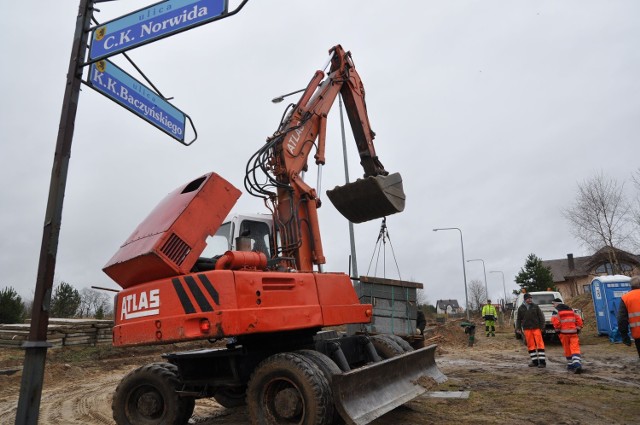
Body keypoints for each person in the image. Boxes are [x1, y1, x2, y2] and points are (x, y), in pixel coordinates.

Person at [551, 297, 584, 373]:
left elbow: (555, 321)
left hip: (564, 333)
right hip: (573, 332)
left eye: (553, 304)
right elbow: (578, 319)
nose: (553, 305)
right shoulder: (571, 309)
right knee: (575, 348)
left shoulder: (556, 311)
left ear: (556, 304)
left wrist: (558, 330)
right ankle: (577, 363)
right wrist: (578, 328)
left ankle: (570, 365)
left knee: (567, 349)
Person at [515, 293, 547, 368]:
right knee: (530, 345)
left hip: (536, 328)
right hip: (527, 329)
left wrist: (542, 327)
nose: (530, 300)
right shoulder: (521, 308)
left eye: (530, 298)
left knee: (540, 344)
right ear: (525, 299)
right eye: (528, 298)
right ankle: (535, 361)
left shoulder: (535, 306)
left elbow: (541, 317)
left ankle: (542, 362)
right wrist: (518, 328)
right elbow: (519, 319)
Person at [617, 276, 640, 359]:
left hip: (638, 334)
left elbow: (621, 319)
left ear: (630, 286)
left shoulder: (626, 298)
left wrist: (624, 335)